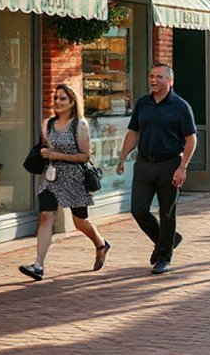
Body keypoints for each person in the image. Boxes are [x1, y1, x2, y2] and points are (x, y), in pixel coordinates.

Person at [19, 84, 109, 281]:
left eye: (63, 99)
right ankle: (38, 265)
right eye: (56, 98)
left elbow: (85, 157)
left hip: (74, 178)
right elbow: (44, 147)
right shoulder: (47, 124)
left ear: (72, 102)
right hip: (50, 176)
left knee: (80, 221)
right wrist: (44, 153)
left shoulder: (80, 125)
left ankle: (101, 244)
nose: (58, 102)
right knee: (46, 217)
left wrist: (57, 154)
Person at [117, 63, 197, 275]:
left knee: (167, 213)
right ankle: (168, 240)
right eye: (151, 76)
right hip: (144, 164)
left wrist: (182, 167)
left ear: (169, 81)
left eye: (159, 77)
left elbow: (191, 140)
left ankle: (163, 257)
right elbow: (133, 132)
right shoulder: (143, 104)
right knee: (138, 209)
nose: (153, 80)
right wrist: (123, 156)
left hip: (169, 165)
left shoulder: (181, 106)